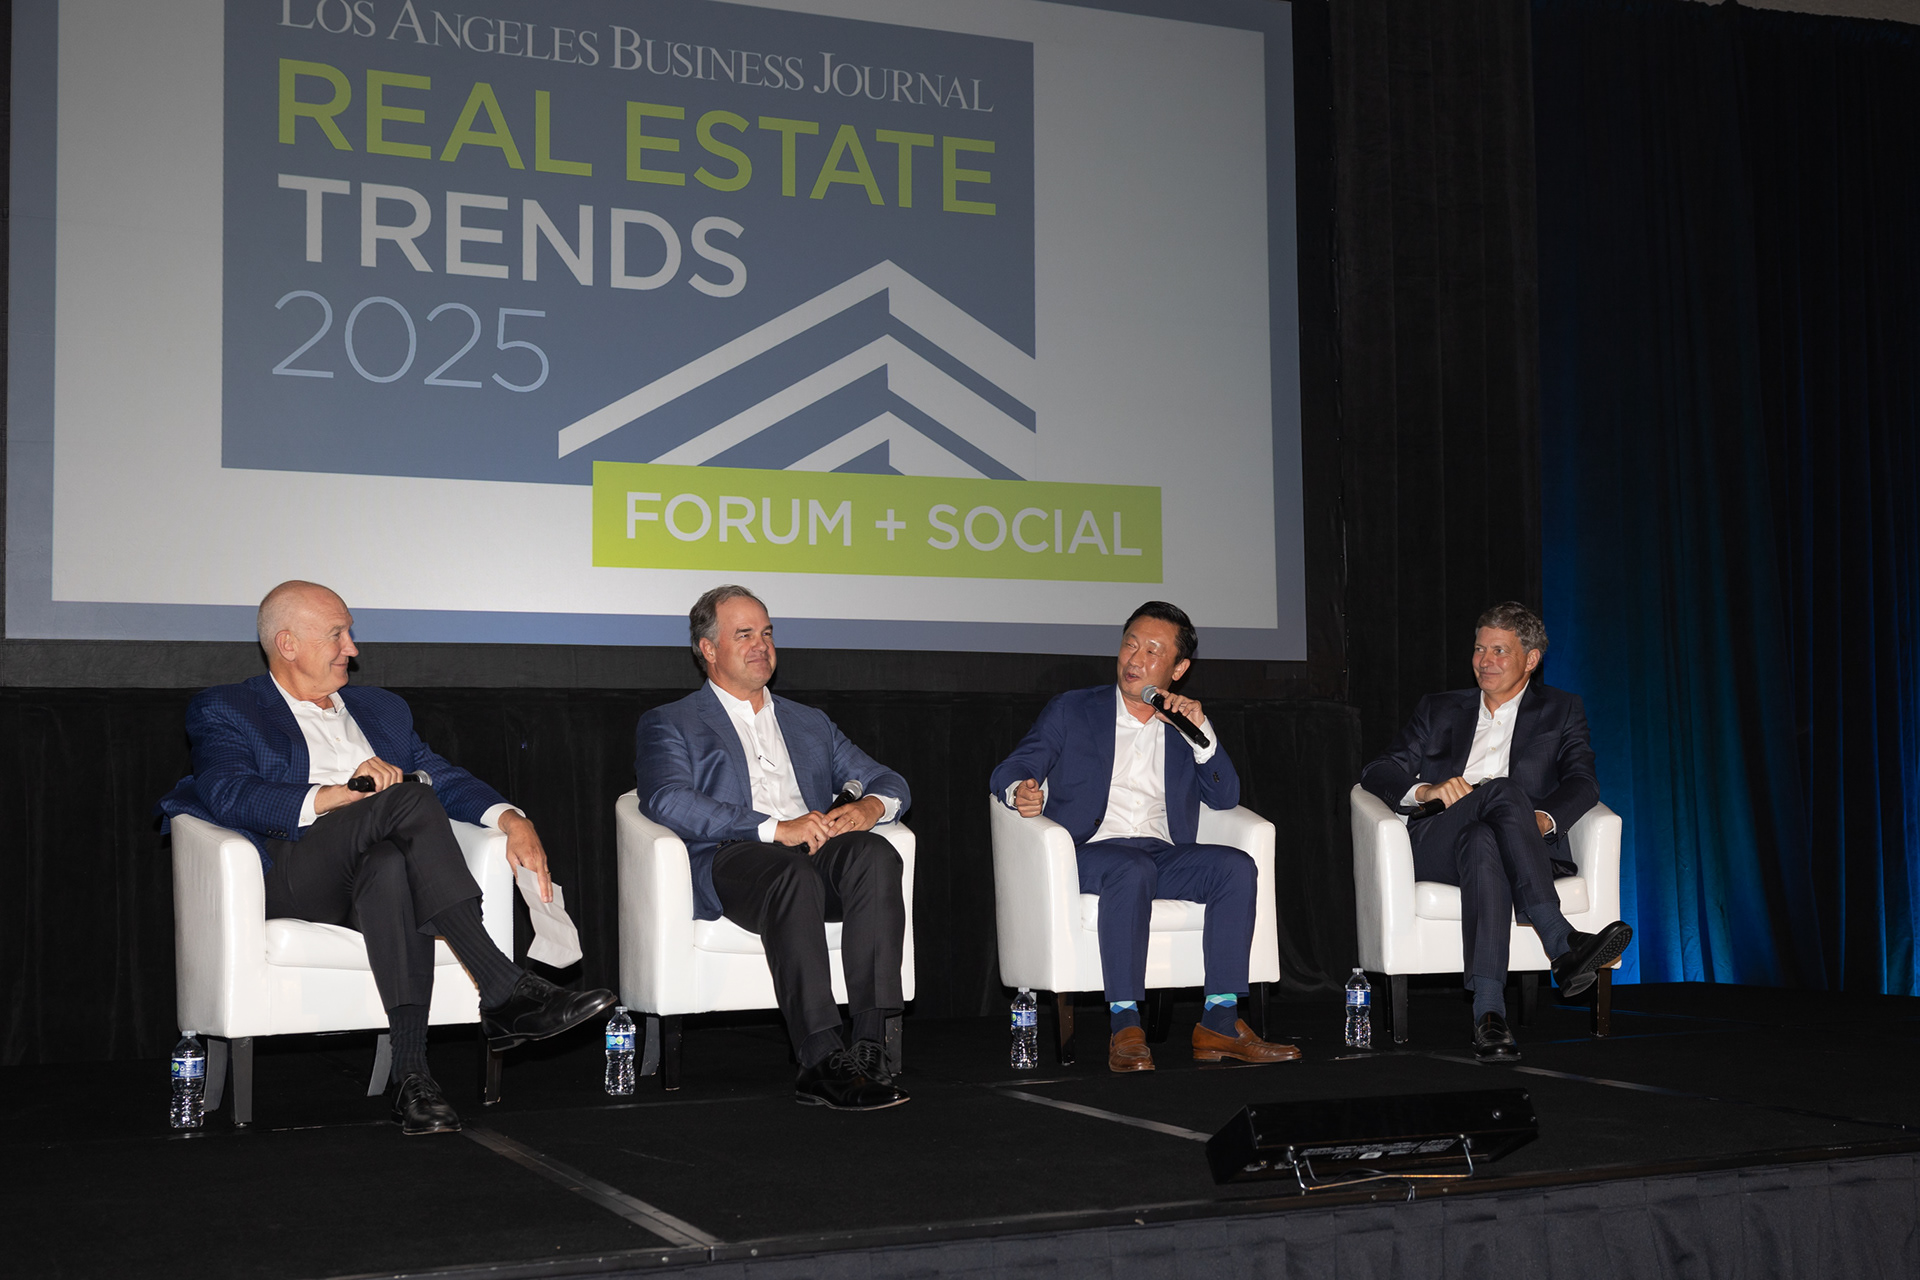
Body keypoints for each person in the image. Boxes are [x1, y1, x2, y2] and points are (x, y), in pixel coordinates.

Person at [158, 581, 615, 1134]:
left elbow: (442, 776)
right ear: (288, 644)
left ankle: (412, 1077)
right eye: (336, 635)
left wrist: (513, 820)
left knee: (391, 864)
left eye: (349, 633)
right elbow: (229, 792)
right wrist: (340, 793)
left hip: (372, 871)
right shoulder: (229, 707)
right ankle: (501, 984)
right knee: (409, 799)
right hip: (294, 870)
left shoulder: (380, 708)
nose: (351, 648)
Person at [989, 601, 1300, 1073]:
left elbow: (1225, 797)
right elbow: (1012, 767)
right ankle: (1125, 1027)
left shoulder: (1182, 724)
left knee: (1235, 867)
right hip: (1089, 852)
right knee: (1130, 869)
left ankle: (1219, 1022)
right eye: (1130, 644)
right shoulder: (1075, 709)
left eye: (1152, 651)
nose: (1134, 660)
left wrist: (1203, 735)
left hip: (1162, 853)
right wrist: (1020, 790)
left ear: (1179, 669)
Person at [634, 585, 912, 1111]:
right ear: (708, 648)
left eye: (766, 633)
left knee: (875, 856)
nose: (761, 645)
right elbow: (667, 798)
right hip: (734, 856)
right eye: (744, 635)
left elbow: (887, 779)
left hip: (814, 852)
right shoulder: (671, 721)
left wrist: (871, 808)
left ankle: (869, 1045)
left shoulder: (810, 722)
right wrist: (772, 827)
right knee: (792, 875)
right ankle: (820, 1059)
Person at [1359, 601, 1632, 1061]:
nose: (1485, 661)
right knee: (1501, 790)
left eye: (1499, 651)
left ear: (1531, 659)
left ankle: (1489, 1015)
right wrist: (1426, 790)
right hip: (1437, 841)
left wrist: (1541, 819)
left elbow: (1583, 782)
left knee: (1484, 839)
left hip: (1513, 844)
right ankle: (1559, 939)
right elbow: (1378, 769)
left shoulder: (1561, 709)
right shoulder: (1439, 708)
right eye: (1479, 649)